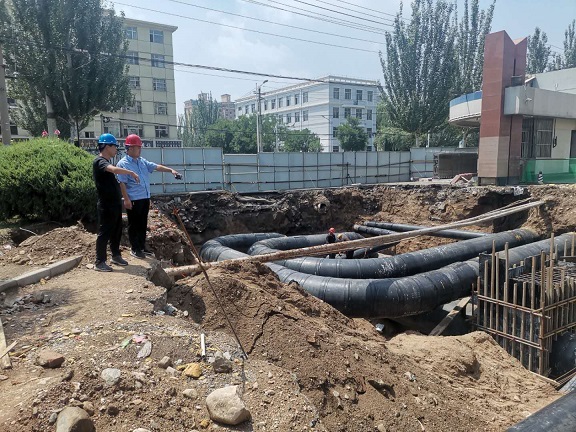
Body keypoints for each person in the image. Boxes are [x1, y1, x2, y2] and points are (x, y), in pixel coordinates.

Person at [116, 134, 181, 258]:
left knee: (142, 223)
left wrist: (171, 170)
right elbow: (122, 183)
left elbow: (156, 166)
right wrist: (127, 199)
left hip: (144, 198)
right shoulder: (123, 164)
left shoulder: (142, 161)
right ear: (130, 148)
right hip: (134, 199)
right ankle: (135, 248)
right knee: (134, 224)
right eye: (138, 147)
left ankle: (141, 246)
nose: (140, 150)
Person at [93, 133, 140, 272]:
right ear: (107, 146)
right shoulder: (100, 162)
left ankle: (116, 255)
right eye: (114, 146)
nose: (116, 149)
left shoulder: (106, 162)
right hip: (106, 205)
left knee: (116, 231)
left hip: (114, 204)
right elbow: (113, 169)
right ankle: (99, 261)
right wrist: (130, 172)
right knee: (105, 232)